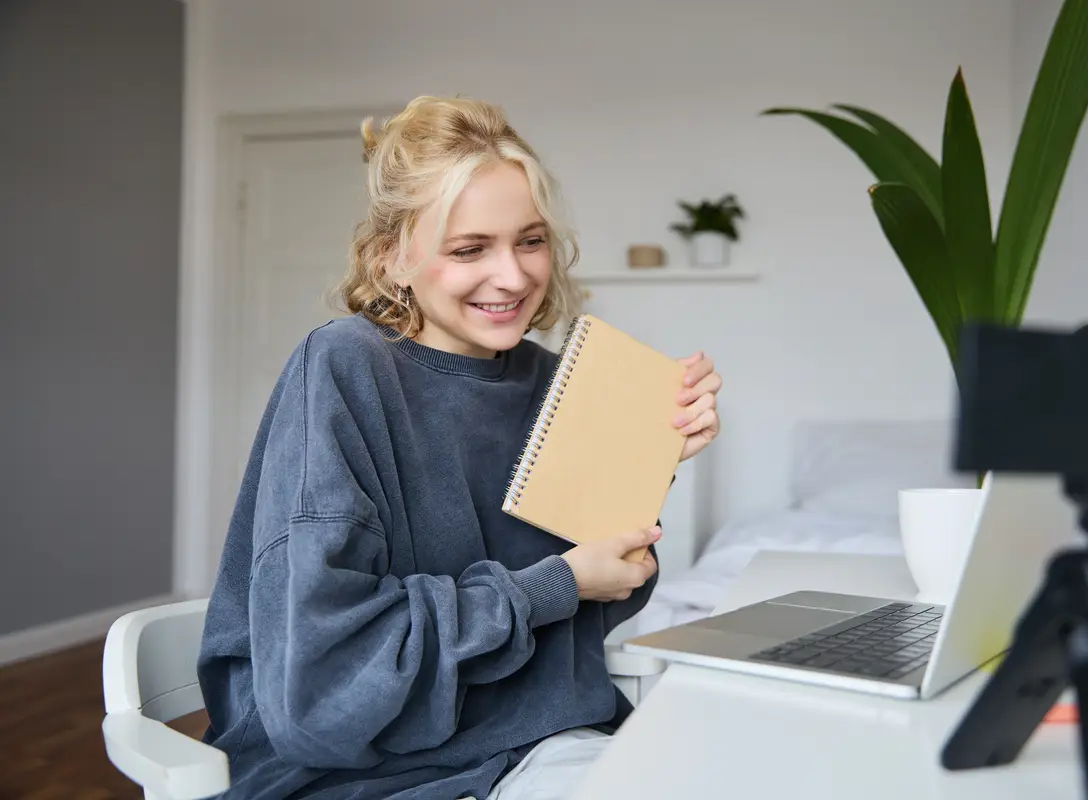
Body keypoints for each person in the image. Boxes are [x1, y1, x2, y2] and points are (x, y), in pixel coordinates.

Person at [196, 95, 723, 800]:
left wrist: (646, 461)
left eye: (530, 241)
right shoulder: (346, 367)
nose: (513, 276)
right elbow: (323, 688)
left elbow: (599, 600)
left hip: (534, 739)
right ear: (392, 260)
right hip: (367, 772)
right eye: (469, 249)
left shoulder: (548, 378)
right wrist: (557, 584)